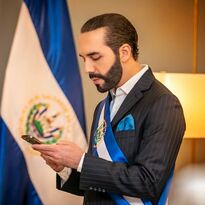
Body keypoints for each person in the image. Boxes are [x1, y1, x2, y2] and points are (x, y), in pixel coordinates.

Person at [32, 13, 186, 205]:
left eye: (95, 57)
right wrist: (65, 168)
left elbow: (148, 183)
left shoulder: (164, 103)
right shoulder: (103, 106)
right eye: (83, 59)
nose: (87, 68)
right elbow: (99, 186)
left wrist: (81, 161)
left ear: (124, 52)